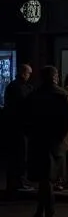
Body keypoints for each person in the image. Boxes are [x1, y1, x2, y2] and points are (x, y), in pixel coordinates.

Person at [25, 66, 68, 217]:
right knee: (48, 179)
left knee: (43, 179)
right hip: (55, 142)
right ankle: (48, 212)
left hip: (38, 141)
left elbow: (25, 119)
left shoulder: (34, 96)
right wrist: (60, 135)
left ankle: (41, 212)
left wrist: (31, 134)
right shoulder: (62, 95)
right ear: (55, 77)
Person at [3, 63, 34, 194]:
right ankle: (20, 182)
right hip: (20, 127)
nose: (29, 76)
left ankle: (13, 183)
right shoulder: (20, 88)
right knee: (21, 155)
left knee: (15, 156)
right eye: (28, 74)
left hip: (14, 126)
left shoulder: (12, 86)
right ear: (23, 73)